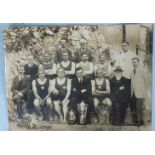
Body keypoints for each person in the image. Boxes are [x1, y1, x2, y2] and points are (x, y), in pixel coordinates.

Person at [130, 57, 148, 126]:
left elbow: (146, 82)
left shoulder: (142, 71)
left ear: (138, 62)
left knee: (139, 107)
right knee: (134, 106)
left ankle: (139, 121)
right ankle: (136, 120)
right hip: (133, 92)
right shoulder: (131, 71)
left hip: (141, 92)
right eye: (133, 62)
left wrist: (144, 91)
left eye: (135, 62)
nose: (134, 64)